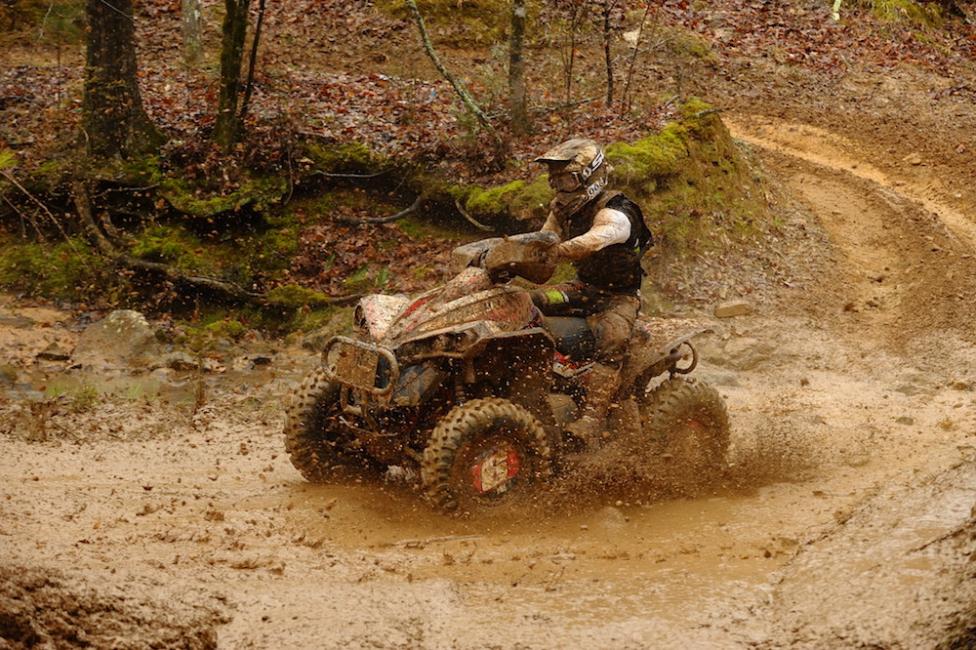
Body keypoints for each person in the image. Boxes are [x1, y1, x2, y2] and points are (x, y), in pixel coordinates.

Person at [530, 138, 653, 446]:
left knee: (613, 338)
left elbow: (595, 239)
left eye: (567, 180)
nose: (560, 188)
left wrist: (556, 251)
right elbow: (543, 241)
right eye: (555, 181)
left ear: (589, 177)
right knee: (528, 302)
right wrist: (513, 257)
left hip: (619, 298)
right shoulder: (562, 210)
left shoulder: (618, 211)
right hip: (583, 289)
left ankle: (591, 419)